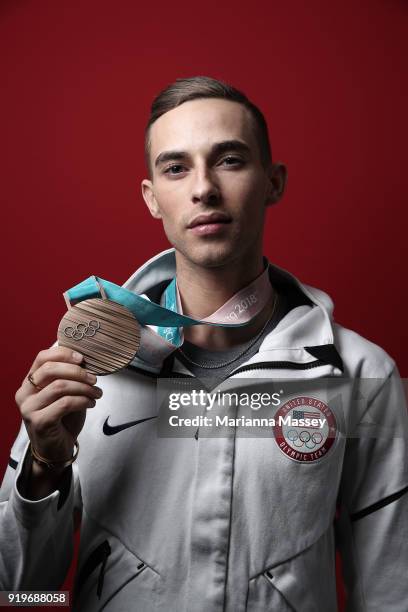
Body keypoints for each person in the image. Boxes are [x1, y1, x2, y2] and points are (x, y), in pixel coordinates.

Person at [1, 76, 407, 611]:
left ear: (273, 182)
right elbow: (23, 593)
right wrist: (43, 468)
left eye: (230, 160)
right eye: (176, 167)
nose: (203, 189)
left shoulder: (360, 374)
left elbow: (391, 591)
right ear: (152, 198)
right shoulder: (85, 367)